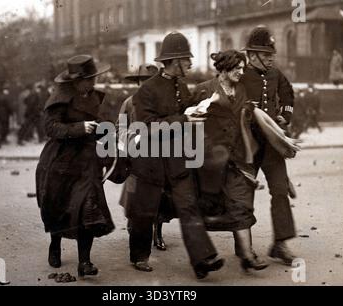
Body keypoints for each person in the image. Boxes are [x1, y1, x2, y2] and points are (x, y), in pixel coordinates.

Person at [130, 32, 223, 279]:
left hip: (177, 158)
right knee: (145, 209)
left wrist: (201, 105)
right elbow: (147, 126)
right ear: (174, 61)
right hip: (150, 159)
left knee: (188, 205)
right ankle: (139, 256)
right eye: (186, 59)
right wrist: (184, 118)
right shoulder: (147, 90)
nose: (190, 64)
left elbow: (185, 108)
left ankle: (202, 259)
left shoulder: (180, 85)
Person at [36, 55, 115, 277]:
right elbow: (51, 128)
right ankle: (55, 244)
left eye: (94, 78)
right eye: (89, 79)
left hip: (87, 161)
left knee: (87, 207)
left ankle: (85, 262)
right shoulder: (59, 98)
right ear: (76, 81)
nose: (93, 83)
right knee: (58, 205)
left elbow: (98, 124)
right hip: (61, 160)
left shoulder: (93, 96)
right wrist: (79, 127)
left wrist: (105, 131)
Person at [191, 50, 269, 271]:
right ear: (224, 70)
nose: (241, 72)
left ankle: (247, 254)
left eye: (243, 69)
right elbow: (189, 120)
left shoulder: (241, 89)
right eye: (237, 69)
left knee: (241, 204)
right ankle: (201, 259)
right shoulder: (203, 90)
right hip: (209, 163)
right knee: (205, 211)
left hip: (236, 160)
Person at [240, 26, 297, 265]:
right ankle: (244, 247)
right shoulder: (240, 76)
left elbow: (288, 94)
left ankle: (280, 244)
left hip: (272, 144)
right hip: (248, 144)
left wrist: (285, 115)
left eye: (271, 54)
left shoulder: (275, 74)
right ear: (251, 55)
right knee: (244, 195)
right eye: (265, 55)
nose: (270, 58)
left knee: (280, 191)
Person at [117, 64, 175, 252]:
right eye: (143, 81)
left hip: (160, 154)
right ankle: (135, 227)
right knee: (135, 197)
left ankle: (157, 232)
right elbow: (120, 128)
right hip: (138, 156)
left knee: (161, 198)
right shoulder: (129, 103)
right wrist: (129, 145)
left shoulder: (163, 102)